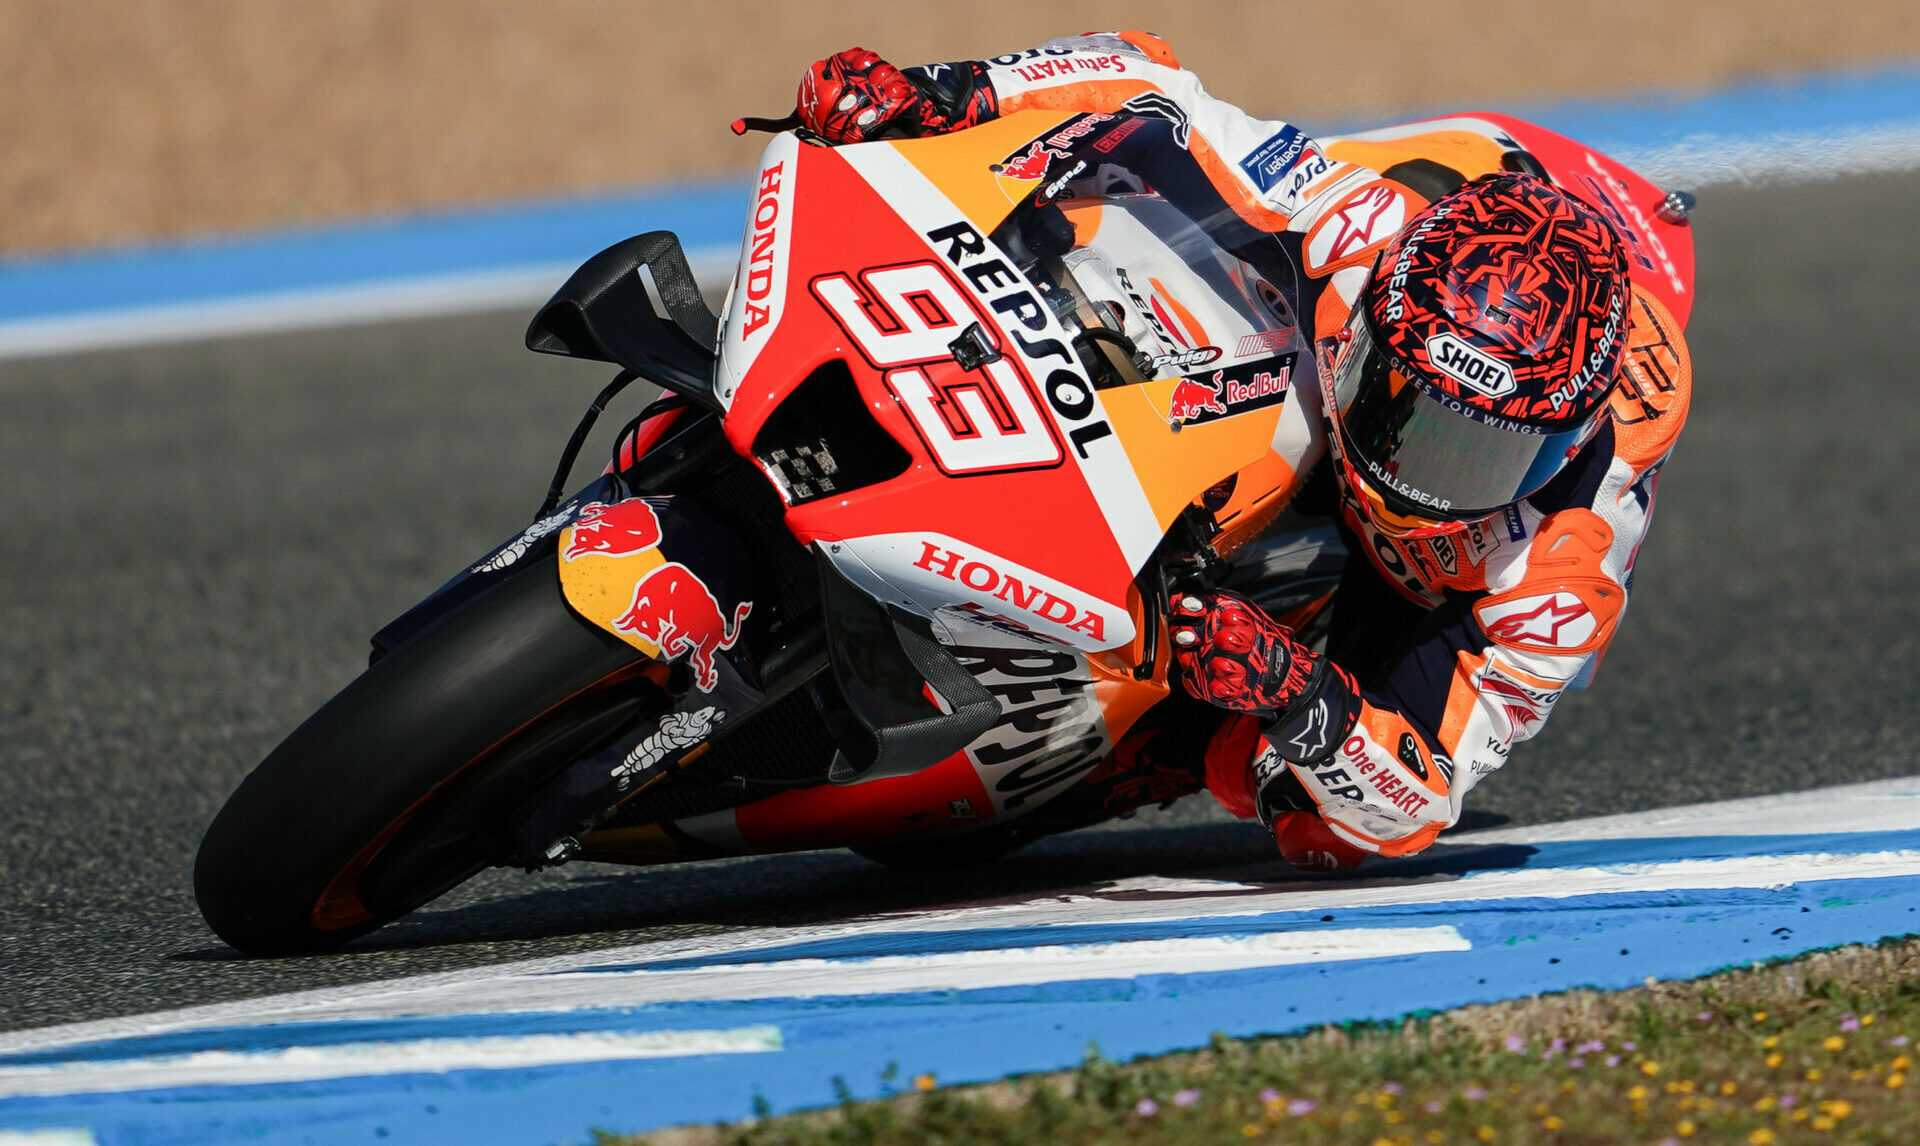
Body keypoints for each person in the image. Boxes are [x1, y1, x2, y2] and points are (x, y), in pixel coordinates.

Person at [790, 33, 1692, 871]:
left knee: (1320, 824)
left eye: (1472, 454)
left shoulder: (1566, 567)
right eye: (1403, 409)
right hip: (1348, 300)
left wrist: (1301, 700)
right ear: (1377, 316)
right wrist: (951, 91)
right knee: (1099, 207)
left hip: (1413, 588)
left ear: (1565, 442)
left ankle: (1172, 739)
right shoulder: (1363, 230)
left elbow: (1423, 798)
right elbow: (1152, 88)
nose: (1412, 474)